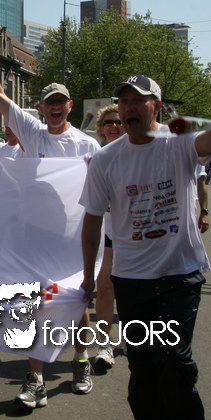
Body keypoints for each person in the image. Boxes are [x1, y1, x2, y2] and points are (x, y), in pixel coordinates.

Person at [80, 74, 211, 420]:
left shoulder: (178, 141)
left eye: (138, 100)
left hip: (179, 273)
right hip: (132, 278)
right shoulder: (106, 160)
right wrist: (88, 276)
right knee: (142, 362)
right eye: (124, 102)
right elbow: (91, 221)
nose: (129, 108)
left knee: (173, 356)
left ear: (157, 106)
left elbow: (210, 142)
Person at [0, 35, 100, 407]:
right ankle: (35, 379)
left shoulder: (88, 146)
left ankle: (81, 362)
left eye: (60, 103)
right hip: (32, 235)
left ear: (69, 106)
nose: (55, 108)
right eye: (49, 103)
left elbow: (101, 193)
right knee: (29, 303)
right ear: (40, 108)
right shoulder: (31, 132)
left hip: (72, 237)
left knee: (77, 304)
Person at [92, 104, 125, 370]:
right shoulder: (95, 157)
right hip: (108, 234)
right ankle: (104, 344)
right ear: (101, 130)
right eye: (109, 123)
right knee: (104, 288)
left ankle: (136, 338)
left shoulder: (141, 153)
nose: (114, 126)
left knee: (134, 292)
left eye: (119, 122)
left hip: (139, 236)